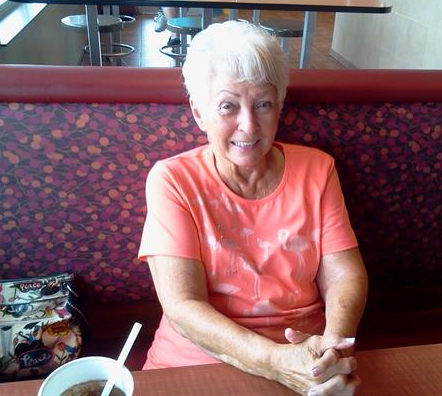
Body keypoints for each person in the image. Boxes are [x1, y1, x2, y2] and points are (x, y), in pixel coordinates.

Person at [139, 20, 368, 395]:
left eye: (263, 104)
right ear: (199, 113)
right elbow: (182, 305)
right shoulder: (172, 180)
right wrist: (274, 362)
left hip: (304, 359)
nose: (248, 125)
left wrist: (334, 348)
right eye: (228, 106)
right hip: (195, 360)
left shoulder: (318, 169)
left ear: (279, 107)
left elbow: (345, 275)